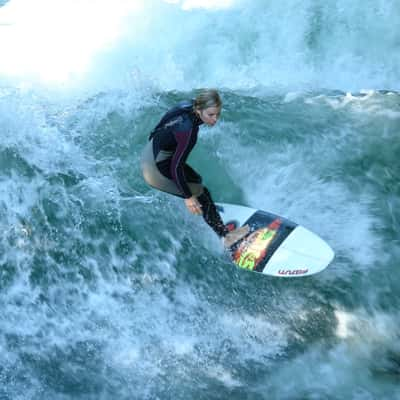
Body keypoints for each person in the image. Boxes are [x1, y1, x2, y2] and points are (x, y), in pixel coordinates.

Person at [141, 89, 249, 247]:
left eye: (217, 114)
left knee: (196, 180)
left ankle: (205, 211)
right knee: (201, 193)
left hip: (150, 151)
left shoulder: (187, 105)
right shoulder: (189, 131)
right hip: (155, 170)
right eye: (211, 115)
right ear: (199, 110)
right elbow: (175, 167)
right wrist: (188, 197)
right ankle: (226, 237)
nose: (215, 119)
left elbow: (160, 126)